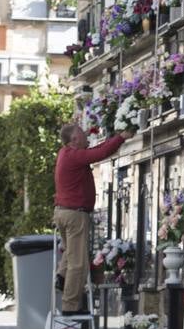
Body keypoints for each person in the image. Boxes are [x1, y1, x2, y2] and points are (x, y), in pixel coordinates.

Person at [54, 123, 134, 314]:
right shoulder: (73, 156)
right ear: (74, 140)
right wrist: (121, 137)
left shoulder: (66, 154)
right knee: (78, 262)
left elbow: (95, 150)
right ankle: (70, 306)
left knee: (69, 253)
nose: (86, 135)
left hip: (64, 212)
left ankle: (62, 278)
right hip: (75, 214)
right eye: (82, 133)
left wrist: (115, 138)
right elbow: (99, 154)